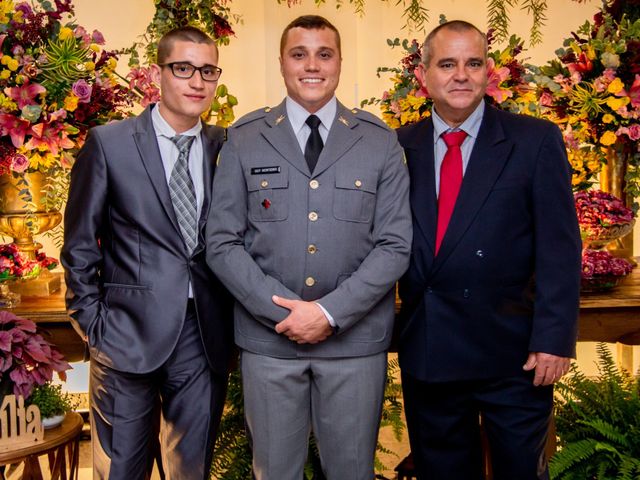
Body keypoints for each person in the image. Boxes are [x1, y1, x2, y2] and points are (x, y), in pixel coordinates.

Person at [206, 14, 412, 480]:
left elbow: (395, 245)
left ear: (339, 62)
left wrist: (328, 313)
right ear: (282, 63)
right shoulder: (244, 138)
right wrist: (283, 313)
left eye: (324, 54)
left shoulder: (379, 141)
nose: (312, 65)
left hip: (354, 344)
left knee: (351, 472)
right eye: (299, 54)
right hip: (270, 344)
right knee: (274, 472)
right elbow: (221, 242)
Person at [396, 20, 582, 480]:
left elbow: (559, 248)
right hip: (430, 350)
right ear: (424, 76)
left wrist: (553, 339)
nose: (461, 75)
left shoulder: (534, 140)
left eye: (473, 63)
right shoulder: (399, 145)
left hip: (515, 357)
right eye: (447, 64)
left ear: (488, 72)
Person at [61, 26, 233, 480]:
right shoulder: (109, 144)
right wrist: (94, 325)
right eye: (183, 69)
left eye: (208, 71)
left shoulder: (227, 147)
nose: (197, 82)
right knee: (121, 470)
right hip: (125, 335)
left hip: (204, 334)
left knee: (191, 470)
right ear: (159, 73)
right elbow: (80, 244)